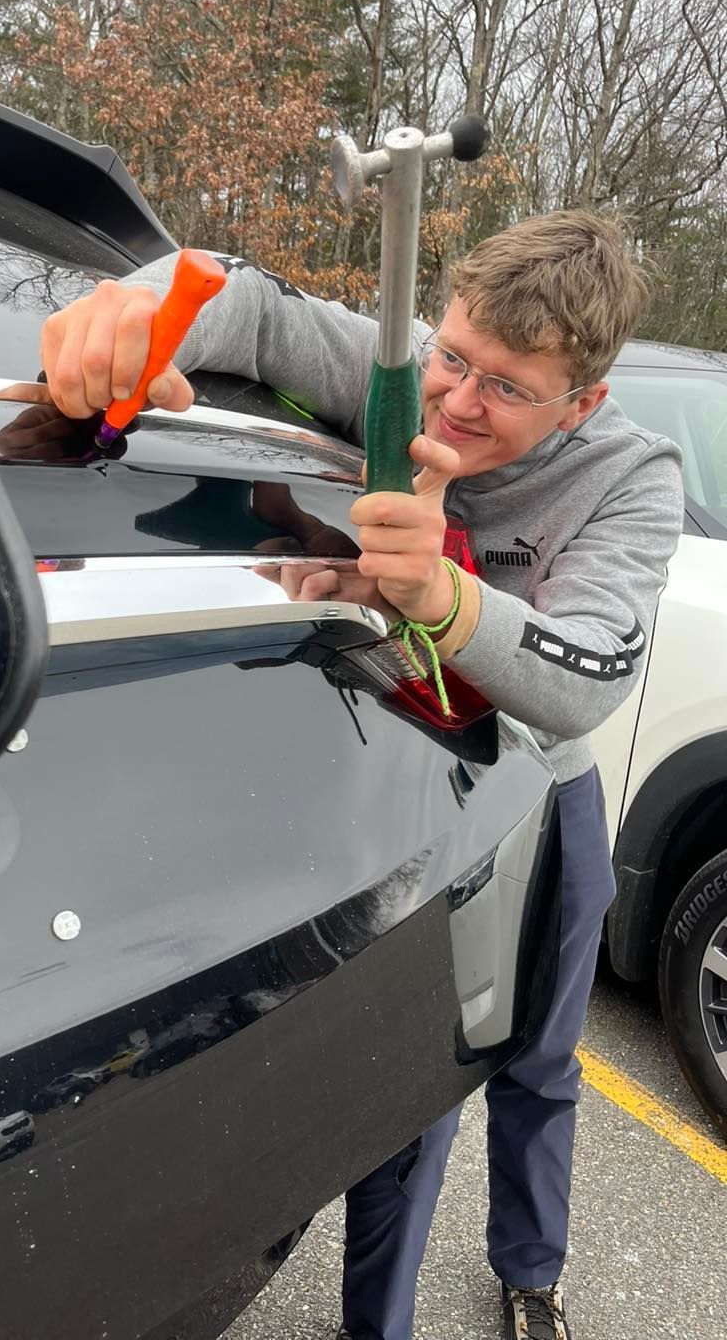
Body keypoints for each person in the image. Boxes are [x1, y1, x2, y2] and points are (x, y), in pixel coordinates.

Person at [37, 210, 684, 1340]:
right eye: (453, 357)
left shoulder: (633, 478)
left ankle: (530, 1270)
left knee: (538, 1055)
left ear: (580, 403)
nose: (455, 403)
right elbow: (250, 301)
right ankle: (373, 1325)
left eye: (506, 390)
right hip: (400, 756)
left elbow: (590, 676)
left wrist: (446, 596)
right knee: (407, 1084)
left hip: (539, 780)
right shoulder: (405, 375)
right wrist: (139, 309)